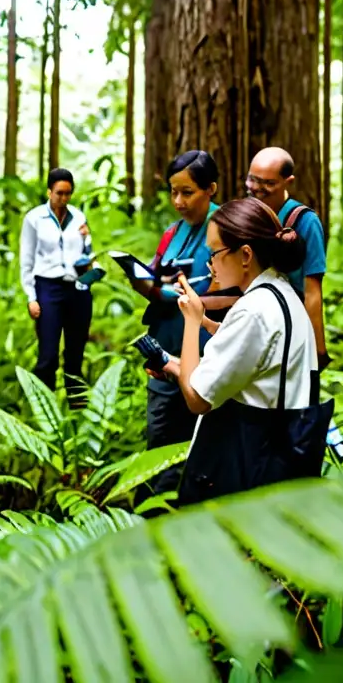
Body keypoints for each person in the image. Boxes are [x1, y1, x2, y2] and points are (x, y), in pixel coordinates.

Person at [161, 197, 330, 504]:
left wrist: (191, 321)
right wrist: (194, 345)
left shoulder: (253, 310)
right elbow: (254, 363)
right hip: (278, 456)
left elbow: (198, 398)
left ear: (245, 255)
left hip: (247, 464)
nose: (210, 264)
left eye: (214, 253)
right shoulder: (282, 294)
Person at [131, 151, 237, 497]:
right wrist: (146, 284)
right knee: (160, 443)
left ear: (211, 189)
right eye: (173, 192)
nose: (178, 201)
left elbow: (237, 293)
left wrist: (194, 297)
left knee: (205, 444)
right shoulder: (170, 233)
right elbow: (155, 276)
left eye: (187, 192)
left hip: (208, 359)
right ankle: (153, 517)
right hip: (165, 356)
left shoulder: (228, 231)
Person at [19, 168, 101, 407]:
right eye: (59, 193)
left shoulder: (78, 217)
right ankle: (44, 411)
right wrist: (31, 297)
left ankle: (78, 409)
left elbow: (88, 250)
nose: (63, 198)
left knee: (75, 354)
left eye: (68, 193)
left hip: (77, 287)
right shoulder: (34, 219)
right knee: (48, 356)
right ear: (49, 191)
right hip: (47, 287)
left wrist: (94, 265)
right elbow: (27, 260)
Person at [245, 147, 330, 369]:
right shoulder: (247, 214)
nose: (258, 189)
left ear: (288, 181)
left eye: (268, 183)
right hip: (249, 327)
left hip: (287, 329)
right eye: (252, 180)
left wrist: (318, 349)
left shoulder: (305, 222)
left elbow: (312, 290)